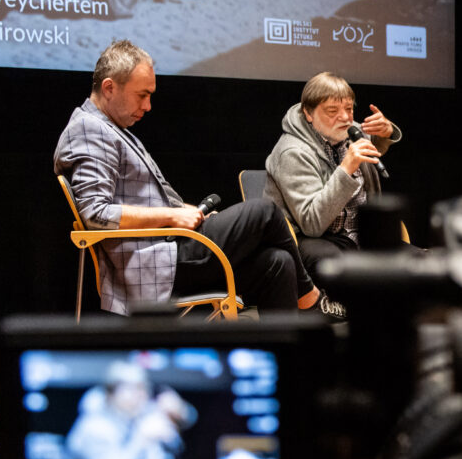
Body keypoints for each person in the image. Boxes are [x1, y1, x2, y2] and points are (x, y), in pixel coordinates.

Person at [54, 40, 344, 319]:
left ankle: (286, 362)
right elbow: (95, 214)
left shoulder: (111, 128)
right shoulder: (88, 130)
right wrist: (173, 217)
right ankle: (311, 300)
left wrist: (185, 212)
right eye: (142, 95)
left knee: (278, 264)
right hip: (154, 263)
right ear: (109, 88)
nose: (148, 106)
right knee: (264, 212)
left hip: (170, 250)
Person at [264, 71, 413, 279]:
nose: (345, 118)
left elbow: (374, 142)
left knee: (419, 263)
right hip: (319, 240)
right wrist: (346, 168)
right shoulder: (292, 152)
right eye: (332, 110)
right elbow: (312, 224)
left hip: (362, 234)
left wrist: (386, 132)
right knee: (334, 266)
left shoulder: (349, 131)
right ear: (308, 113)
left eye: (349, 109)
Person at [66, 362, 196, 459]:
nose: (141, 395)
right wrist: (141, 438)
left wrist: (180, 410)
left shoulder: (135, 413)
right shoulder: (94, 427)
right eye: (133, 388)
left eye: (144, 387)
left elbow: (189, 418)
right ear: (111, 393)